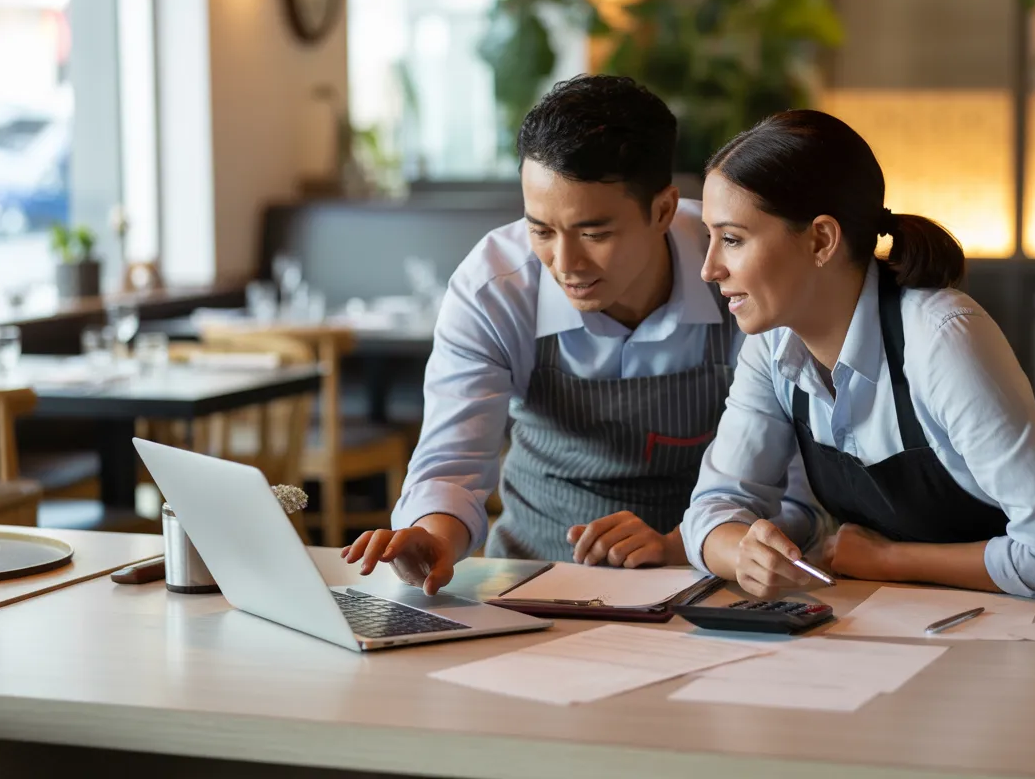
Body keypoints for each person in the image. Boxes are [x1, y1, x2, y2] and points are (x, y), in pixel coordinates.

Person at [342, 76, 818, 594]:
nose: (565, 263)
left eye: (594, 233)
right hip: (532, 583)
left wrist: (682, 544)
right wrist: (432, 538)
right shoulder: (496, 287)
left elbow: (797, 491)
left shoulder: (737, 276)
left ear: (662, 210)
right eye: (541, 230)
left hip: (705, 585)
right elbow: (451, 465)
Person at [683, 109, 1035, 600]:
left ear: (821, 240)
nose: (709, 269)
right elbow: (714, 507)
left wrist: (889, 560)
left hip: (1034, 628)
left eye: (732, 239)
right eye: (710, 238)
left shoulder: (942, 340)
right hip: (902, 622)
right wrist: (742, 554)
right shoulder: (772, 345)